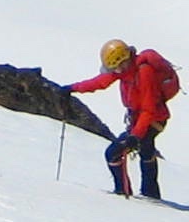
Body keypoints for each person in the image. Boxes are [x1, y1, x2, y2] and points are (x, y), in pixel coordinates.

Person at [66, 38, 176, 199]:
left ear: (121, 62)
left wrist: (135, 135)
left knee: (114, 153)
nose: (114, 71)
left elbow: (148, 109)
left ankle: (123, 194)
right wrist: (72, 88)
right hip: (145, 119)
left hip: (151, 120)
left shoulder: (144, 72)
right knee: (146, 151)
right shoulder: (126, 71)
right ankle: (150, 196)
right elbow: (100, 82)